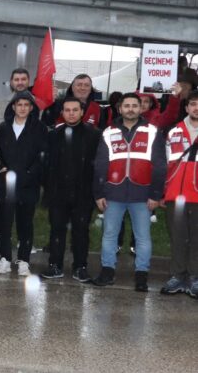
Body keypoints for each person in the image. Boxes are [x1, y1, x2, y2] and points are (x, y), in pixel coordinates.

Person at [92, 93, 166, 292]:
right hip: (113, 193)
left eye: (135, 105)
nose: (131, 109)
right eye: (127, 105)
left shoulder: (152, 131)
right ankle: (107, 271)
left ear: (141, 109)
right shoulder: (108, 131)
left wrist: (156, 194)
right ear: (120, 108)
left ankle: (142, 275)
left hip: (142, 194)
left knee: (142, 237)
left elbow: (160, 165)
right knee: (109, 235)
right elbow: (100, 164)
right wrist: (99, 193)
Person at [40, 97, 99, 281]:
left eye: (75, 110)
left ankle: (80, 266)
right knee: (57, 229)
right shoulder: (53, 135)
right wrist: (48, 188)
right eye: (67, 110)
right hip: (58, 193)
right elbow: (46, 164)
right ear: (62, 112)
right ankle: (55, 265)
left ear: (82, 112)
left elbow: (98, 165)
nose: (71, 113)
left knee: (81, 231)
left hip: (83, 193)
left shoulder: (94, 135)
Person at [0, 91, 47, 276]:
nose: (22, 108)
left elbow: (42, 156)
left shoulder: (39, 128)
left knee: (26, 224)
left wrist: (29, 174)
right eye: (19, 104)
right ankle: (5, 258)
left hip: (28, 185)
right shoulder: (3, 128)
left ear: (31, 108)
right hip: (6, 184)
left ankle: (24, 260)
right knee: (5, 223)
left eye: (26, 105)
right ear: (13, 107)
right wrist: (1, 167)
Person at [161, 91, 198, 296]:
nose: (196, 108)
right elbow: (164, 164)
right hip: (175, 194)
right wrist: (161, 192)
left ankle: (194, 277)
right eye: (193, 104)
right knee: (178, 237)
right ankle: (177, 275)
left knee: (197, 239)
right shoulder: (174, 132)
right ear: (186, 108)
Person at [42, 74, 109, 130]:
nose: (83, 88)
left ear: (90, 89)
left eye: (86, 85)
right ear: (72, 88)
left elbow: (102, 134)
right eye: (79, 85)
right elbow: (47, 124)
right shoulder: (58, 105)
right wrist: (49, 104)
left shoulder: (98, 110)